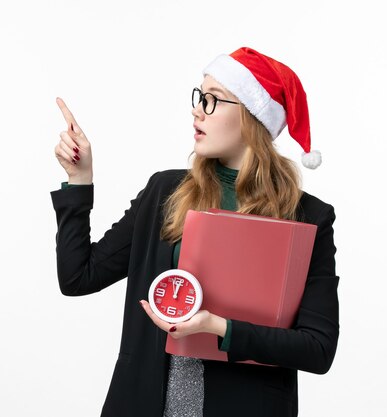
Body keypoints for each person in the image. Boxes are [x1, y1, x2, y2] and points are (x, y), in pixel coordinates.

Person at [50, 46, 339, 417]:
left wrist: (219, 327)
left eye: (213, 100)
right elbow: (78, 277)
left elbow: (317, 348)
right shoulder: (165, 192)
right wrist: (79, 180)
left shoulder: (307, 217)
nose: (197, 109)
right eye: (199, 96)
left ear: (253, 117)